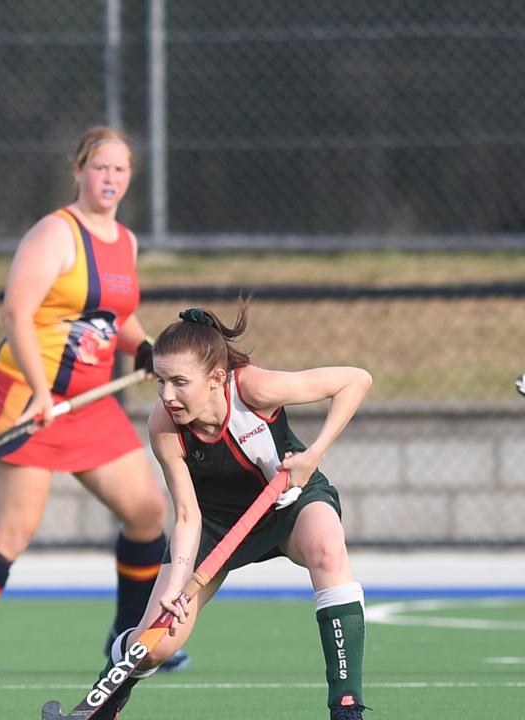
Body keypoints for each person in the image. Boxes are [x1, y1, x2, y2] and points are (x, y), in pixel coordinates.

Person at [0, 125, 188, 678]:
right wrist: (41, 393)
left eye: (120, 170)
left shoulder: (126, 242)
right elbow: (17, 312)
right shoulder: (55, 233)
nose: (110, 179)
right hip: (27, 396)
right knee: (15, 529)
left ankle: (129, 638)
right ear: (79, 172)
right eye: (100, 168)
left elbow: (118, 317)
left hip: (90, 403)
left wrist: (145, 349)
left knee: (146, 514)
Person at [85, 301, 372, 720]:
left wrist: (314, 454)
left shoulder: (254, 389)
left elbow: (355, 380)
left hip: (286, 503)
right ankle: (113, 689)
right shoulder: (164, 426)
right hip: (214, 526)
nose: (167, 395)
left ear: (216, 378)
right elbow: (187, 515)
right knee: (157, 646)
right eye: (161, 381)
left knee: (328, 548)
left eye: (180, 382)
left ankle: (346, 706)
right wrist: (173, 587)